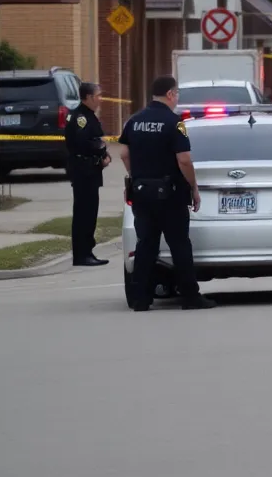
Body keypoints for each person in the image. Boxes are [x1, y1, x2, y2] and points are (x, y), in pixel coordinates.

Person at [117, 75, 215, 311]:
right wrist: (193, 187)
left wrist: (135, 177)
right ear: (170, 94)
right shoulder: (175, 123)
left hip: (142, 192)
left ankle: (141, 298)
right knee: (179, 245)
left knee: (146, 245)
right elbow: (184, 160)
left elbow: (123, 153)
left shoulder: (134, 121)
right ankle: (190, 297)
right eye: (177, 94)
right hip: (170, 194)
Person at [64, 82, 110, 266]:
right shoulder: (81, 117)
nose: (100, 99)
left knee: (90, 212)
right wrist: (101, 151)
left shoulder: (87, 115)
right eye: (98, 95)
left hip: (89, 170)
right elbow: (84, 143)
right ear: (89, 97)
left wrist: (102, 154)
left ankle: (87, 251)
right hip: (84, 171)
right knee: (84, 213)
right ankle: (82, 254)